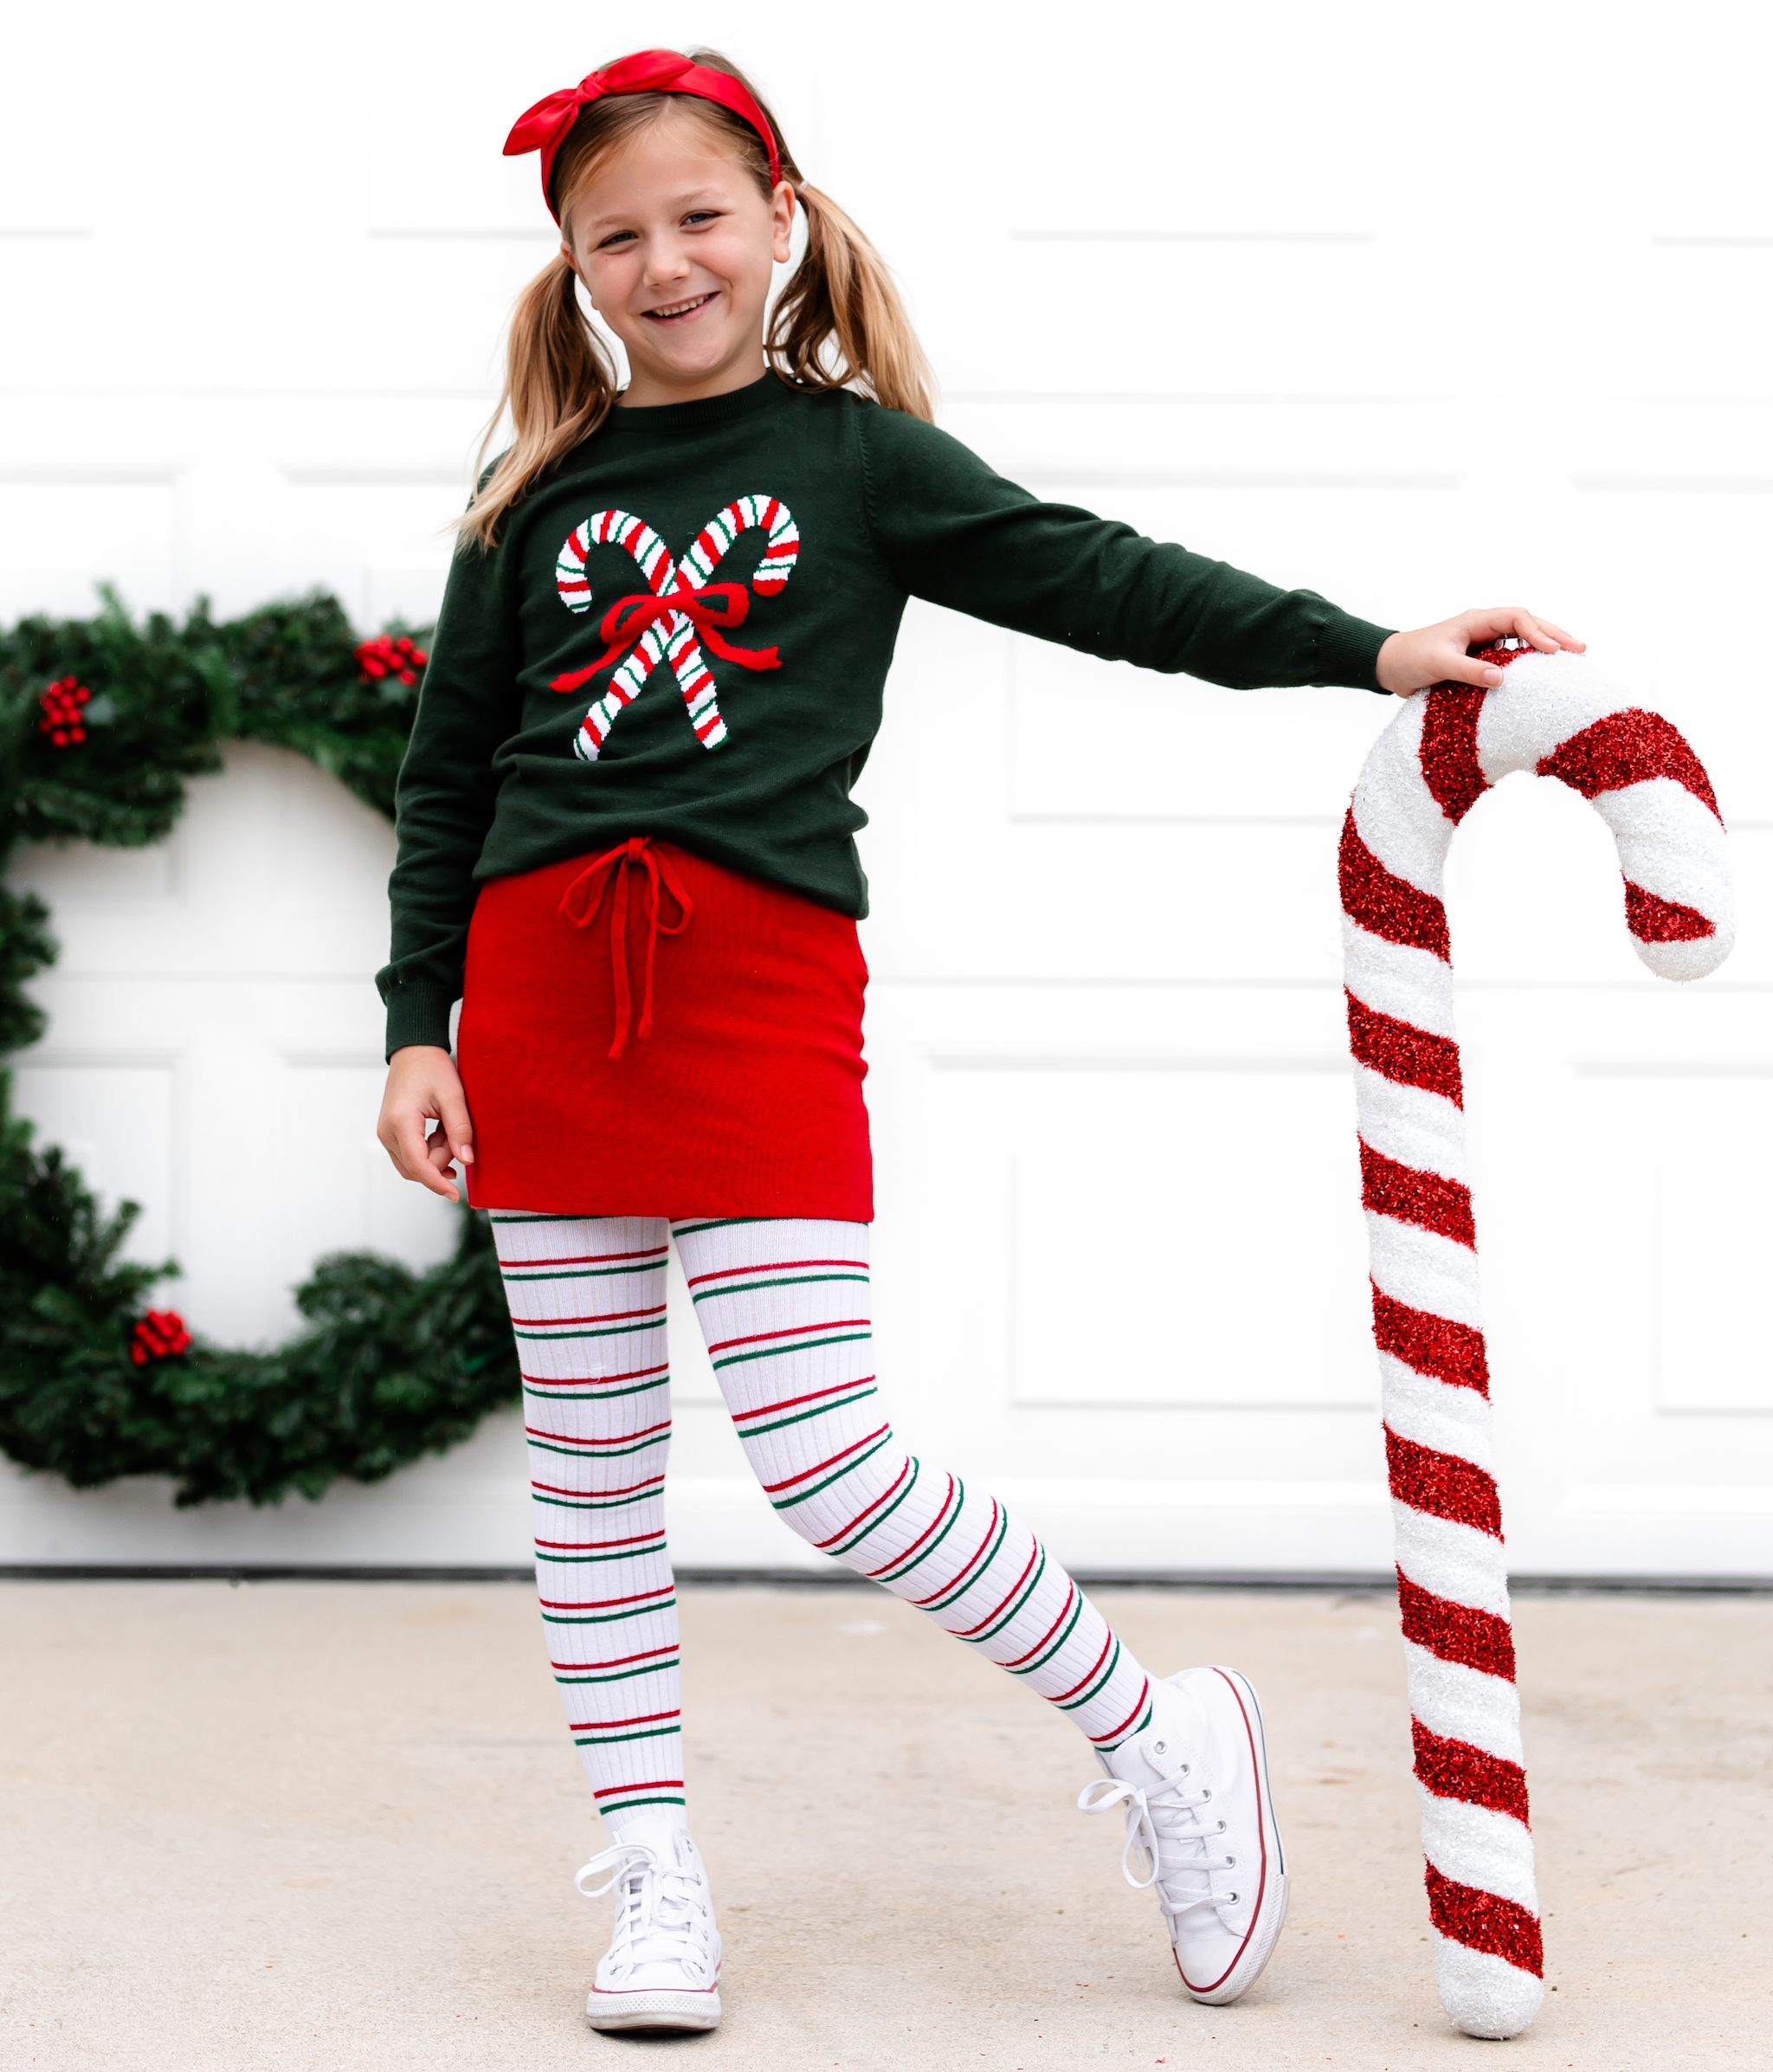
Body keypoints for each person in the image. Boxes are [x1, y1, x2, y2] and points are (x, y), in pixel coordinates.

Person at [375, 47, 1583, 2036]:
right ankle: (656, 1869)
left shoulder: (860, 462)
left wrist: (1367, 645)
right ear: (573, 269)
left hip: (754, 981)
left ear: (777, 217)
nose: (664, 259)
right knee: (588, 1470)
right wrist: (419, 1023)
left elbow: (1099, 576)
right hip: (537, 996)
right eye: (618, 234)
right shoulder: (528, 495)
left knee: (826, 1458)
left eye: (698, 215)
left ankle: (1155, 1725)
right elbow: (446, 782)